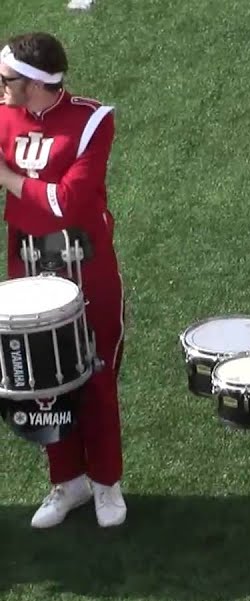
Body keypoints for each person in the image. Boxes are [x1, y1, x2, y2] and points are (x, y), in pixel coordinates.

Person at [0, 32, 126, 528]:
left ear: (34, 84)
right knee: (38, 381)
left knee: (94, 376)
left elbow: (65, 203)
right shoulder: (3, 111)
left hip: (84, 266)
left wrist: (8, 179)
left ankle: (107, 483)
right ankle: (67, 481)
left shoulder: (93, 120)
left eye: (7, 79)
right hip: (25, 266)